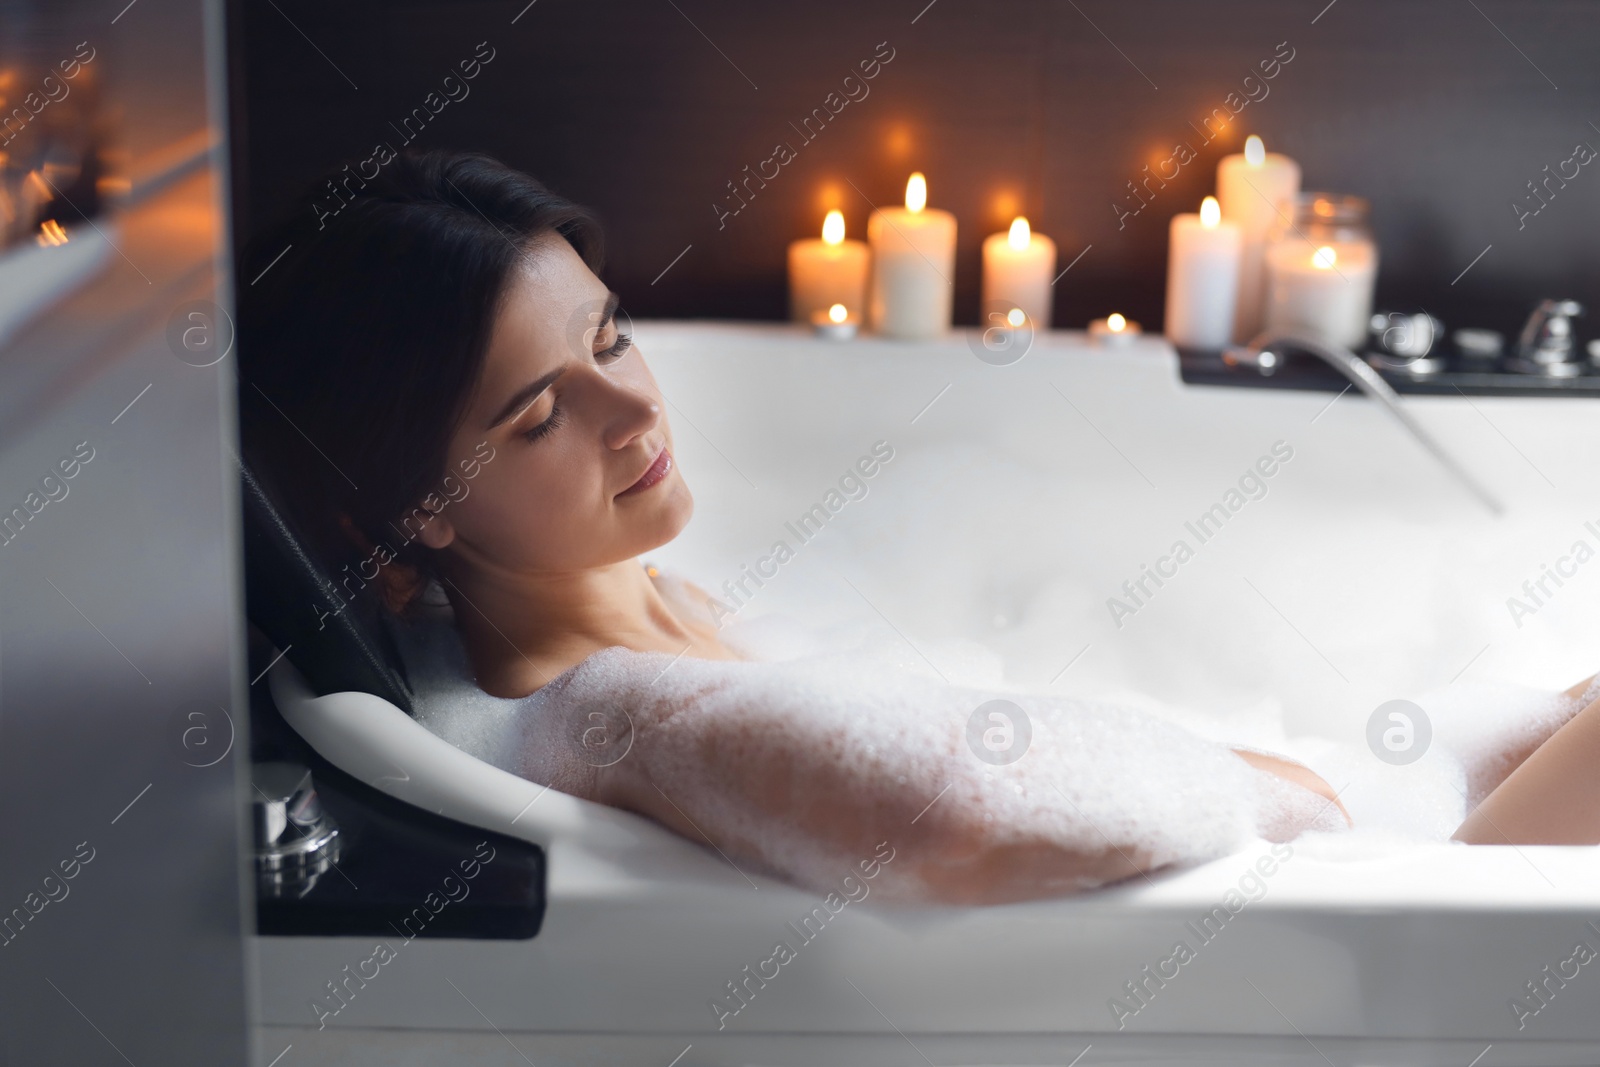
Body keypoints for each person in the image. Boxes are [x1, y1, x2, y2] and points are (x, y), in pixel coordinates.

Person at [237, 150, 1572, 904]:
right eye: (539, 417)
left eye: (613, 338)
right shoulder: (605, 708)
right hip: (1371, 868)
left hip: (1347, 802)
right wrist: (1303, 803)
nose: (633, 409)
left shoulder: (650, 598)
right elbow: (957, 807)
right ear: (418, 505)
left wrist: (1315, 782)